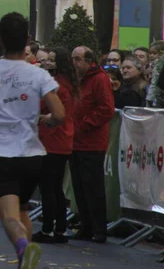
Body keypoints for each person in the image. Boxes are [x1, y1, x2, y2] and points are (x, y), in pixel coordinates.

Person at [0, 13, 65, 269]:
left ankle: (23, 247)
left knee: (9, 216)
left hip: (2, 155)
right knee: (22, 210)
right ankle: (25, 263)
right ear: (27, 40)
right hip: (33, 155)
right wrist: (47, 120)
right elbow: (60, 114)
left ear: (0, 40)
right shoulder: (38, 75)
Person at [33, 47, 78, 244]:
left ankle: (48, 229)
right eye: (47, 59)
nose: (47, 62)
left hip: (53, 139)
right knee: (55, 187)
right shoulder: (68, 83)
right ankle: (59, 229)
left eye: (52, 60)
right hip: (59, 139)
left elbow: (50, 109)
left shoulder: (58, 85)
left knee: (48, 187)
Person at [70, 46, 115, 243]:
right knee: (79, 186)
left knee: (93, 187)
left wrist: (83, 125)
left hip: (92, 142)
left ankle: (99, 228)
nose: (74, 63)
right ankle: (86, 226)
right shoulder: (76, 80)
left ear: (89, 61)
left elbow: (106, 109)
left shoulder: (99, 79)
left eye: (78, 59)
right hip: (75, 141)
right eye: (73, 59)